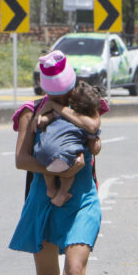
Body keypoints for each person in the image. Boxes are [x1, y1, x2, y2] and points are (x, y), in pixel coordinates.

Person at [9, 50, 106, 275]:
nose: (62, 94)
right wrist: (57, 166)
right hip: (43, 199)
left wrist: (83, 147)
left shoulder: (84, 101)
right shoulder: (30, 113)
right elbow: (21, 160)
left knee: (74, 272)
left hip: (82, 199)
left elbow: (95, 140)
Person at [33, 77, 103, 207]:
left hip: (41, 153)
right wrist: (95, 140)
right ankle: (61, 193)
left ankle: (50, 188)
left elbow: (48, 118)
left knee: (48, 169)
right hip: (65, 159)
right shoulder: (84, 123)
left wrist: (42, 119)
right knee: (68, 176)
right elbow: (95, 148)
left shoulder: (58, 112)